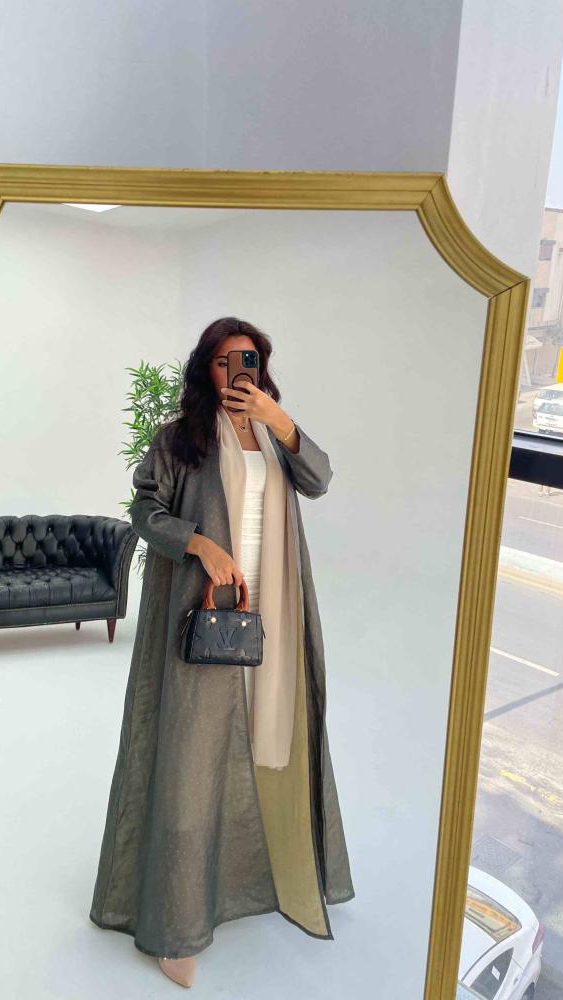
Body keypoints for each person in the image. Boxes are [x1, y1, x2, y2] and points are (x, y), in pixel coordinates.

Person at [89, 317, 355, 989]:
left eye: (250, 360)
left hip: (275, 605)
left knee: (268, 743)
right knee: (191, 756)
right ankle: (174, 923)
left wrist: (280, 421)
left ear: (262, 368)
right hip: (205, 605)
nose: (238, 371)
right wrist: (199, 544)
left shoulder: (274, 432)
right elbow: (144, 511)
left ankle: (252, 879)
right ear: (204, 370)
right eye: (224, 361)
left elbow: (321, 479)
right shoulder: (179, 438)